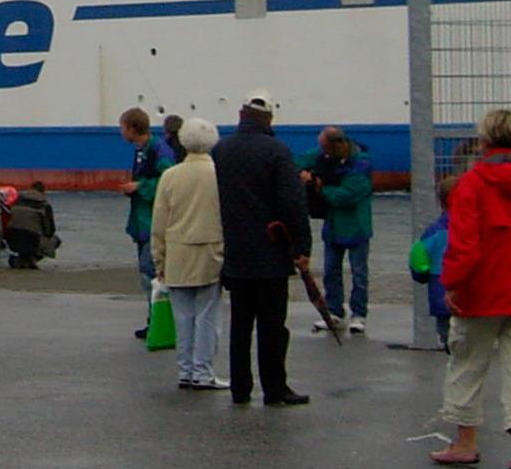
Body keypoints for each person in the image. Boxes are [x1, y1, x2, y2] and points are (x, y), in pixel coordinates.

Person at [431, 108, 511, 469]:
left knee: (467, 364)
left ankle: (465, 443)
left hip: (481, 291)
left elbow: (464, 244)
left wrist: (453, 284)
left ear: (483, 140)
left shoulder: (470, 185)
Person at [212, 90, 315, 406]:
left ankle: (240, 389)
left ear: (241, 116)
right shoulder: (277, 151)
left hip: (235, 252)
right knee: (272, 326)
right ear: (269, 119)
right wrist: (302, 246)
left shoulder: (221, 150)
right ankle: (274, 388)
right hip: (271, 252)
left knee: (240, 325)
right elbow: (292, 202)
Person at [150, 118, 225, 389]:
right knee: (207, 316)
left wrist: (158, 259)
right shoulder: (219, 174)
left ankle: (184, 370)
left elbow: (159, 221)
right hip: (210, 251)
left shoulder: (170, 176)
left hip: (176, 252)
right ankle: (203, 371)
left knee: (182, 316)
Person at [299, 127, 376, 334]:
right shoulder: (325, 154)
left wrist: (319, 188)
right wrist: (303, 173)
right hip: (333, 225)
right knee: (330, 271)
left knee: (359, 273)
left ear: (338, 145)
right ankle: (334, 311)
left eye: (325, 148)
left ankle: (359, 314)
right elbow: (299, 161)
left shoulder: (361, 163)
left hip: (356, 225)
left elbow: (347, 195)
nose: (323, 153)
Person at [119, 107, 172, 334]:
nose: (121, 132)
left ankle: (160, 322)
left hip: (152, 221)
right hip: (142, 220)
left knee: (149, 271)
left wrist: (139, 186)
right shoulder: (142, 149)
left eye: (123, 127)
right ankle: (155, 320)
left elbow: (169, 181)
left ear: (132, 128)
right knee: (148, 271)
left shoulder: (157, 150)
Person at [407, 176, 455, 349]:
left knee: (448, 338)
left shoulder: (434, 231)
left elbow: (417, 258)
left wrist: (422, 274)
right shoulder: (477, 227)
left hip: (440, 293)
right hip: (473, 300)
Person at [3, 180, 60, 268]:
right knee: (56, 240)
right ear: (43, 191)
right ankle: (31, 260)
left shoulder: (17, 200)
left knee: (24, 234)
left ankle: (21, 260)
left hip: (12, 239)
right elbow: (50, 231)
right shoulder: (44, 205)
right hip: (32, 241)